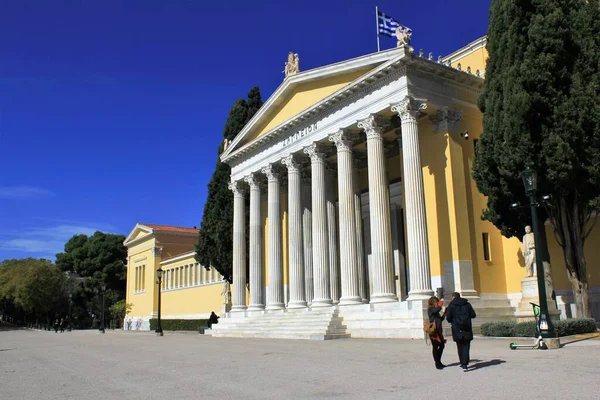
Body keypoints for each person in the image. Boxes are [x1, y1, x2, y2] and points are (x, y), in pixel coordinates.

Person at [445, 292, 476, 372]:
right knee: (466, 346)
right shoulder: (467, 304)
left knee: (459, 346)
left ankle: (462, 363)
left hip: (456, 328)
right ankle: (465, 363)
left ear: (453, 297)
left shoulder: (451, 305)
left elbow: (448, 318)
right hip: (467, 328)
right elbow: (473, 315)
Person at [427, 296, 447, 370]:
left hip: (438, 330)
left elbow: (440, 319)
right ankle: (437, 363)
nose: (438, 303)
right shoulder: (431, 309)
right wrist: (441, 303)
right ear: (433, 302)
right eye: (437, 302)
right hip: (434, 331)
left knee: (442, 345)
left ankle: (439, 361)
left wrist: (444, 313)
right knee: (435, 346)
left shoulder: (435, 310)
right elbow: (436, 310)